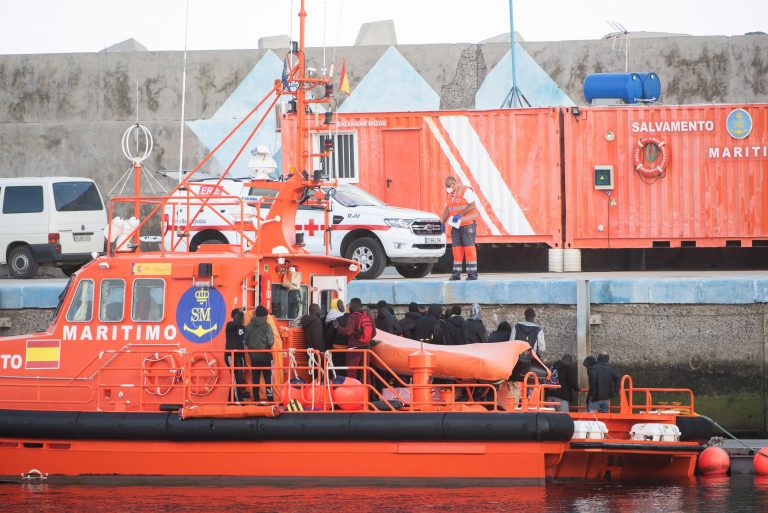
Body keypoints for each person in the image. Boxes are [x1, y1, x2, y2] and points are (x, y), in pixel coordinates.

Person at [442, 175, 479, 280]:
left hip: (468, 225)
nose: (447, 189)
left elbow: (472, 205)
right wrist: (442, 223)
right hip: (456, 226)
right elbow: (447, 209)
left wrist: (460, 214)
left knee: (469, 249)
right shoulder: (450, 194)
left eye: (449, 186)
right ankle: (456, 273)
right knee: (456, 250)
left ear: (453, 184)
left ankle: (472, 274)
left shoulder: (465, 190)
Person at [335, 297, 376, 383]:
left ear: (353, 305)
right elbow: (374, 333)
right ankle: (367, 394)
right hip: (366, 349)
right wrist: (365, 339)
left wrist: (337, 327)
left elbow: (348, 332)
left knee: (352, 372)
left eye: (350, 304)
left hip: (354, 350)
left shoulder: (353, 316)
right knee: (366, 372)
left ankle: (352, 392)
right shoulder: (368, 315)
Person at [244, 305, 274, 401]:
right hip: (265, 356)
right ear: (264, 316)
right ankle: (270, 399)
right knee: (268, 380)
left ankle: (256, 400)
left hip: (253, 357)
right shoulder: (267, 326)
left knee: (255, 379)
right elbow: (270, 341)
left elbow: (245, 340)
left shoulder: (249, 326)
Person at [224, 309, 249, 402]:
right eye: (239, 316)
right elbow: (236, 323)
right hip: (231, 355)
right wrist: (241, 313)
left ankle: (231, 401)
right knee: (235, 378)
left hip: (240, 356)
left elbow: (244, 341)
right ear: (235, 316)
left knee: (239, 378)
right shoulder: (229, 325)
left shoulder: (243, 327)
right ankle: (238, 401)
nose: (242, 318)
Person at [324, 299, 348, 375]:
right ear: (336, 306)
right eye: (340, 305)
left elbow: (328, 335)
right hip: (339, 347)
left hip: (331, 347)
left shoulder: (328, 316)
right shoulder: (339, 318)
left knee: (334, 368)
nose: (342, 307)